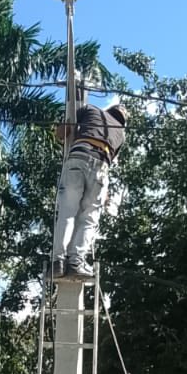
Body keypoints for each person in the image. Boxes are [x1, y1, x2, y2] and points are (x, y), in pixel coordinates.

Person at [52, 102, 127, 279]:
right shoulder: (121, 134)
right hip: (101, 167)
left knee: (67, 212)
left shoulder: (91, 109)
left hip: (78, 157)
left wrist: (61, 134)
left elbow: (63, 131)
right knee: (89, 218)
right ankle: (76, 261)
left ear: (108, 111)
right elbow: (109, 164)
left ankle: (58, 262)